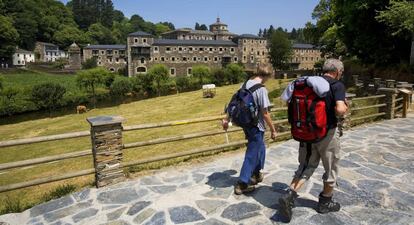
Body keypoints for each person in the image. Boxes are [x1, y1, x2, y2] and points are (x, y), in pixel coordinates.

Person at [278, 58, 348, 221]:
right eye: (341, 73)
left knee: (306, 166)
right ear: (337, 72)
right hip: (327, 134)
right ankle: (325, 202)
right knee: (330, 168)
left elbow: (286, 101)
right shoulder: (336, 85)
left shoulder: (306, 83)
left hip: (306, 132)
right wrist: (345, 106)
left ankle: (290, 195)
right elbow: (340, 110)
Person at [222, 70, 277, 195]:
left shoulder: (244, 84)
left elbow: (234, 103)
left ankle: (256, 173)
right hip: (256, 126)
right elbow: (265, 113)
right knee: (252, 152)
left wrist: (227, 119)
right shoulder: (261, 89)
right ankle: (243, 183)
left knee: (260, 147)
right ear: (266, 76)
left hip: (245, 123)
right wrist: (273, 129)